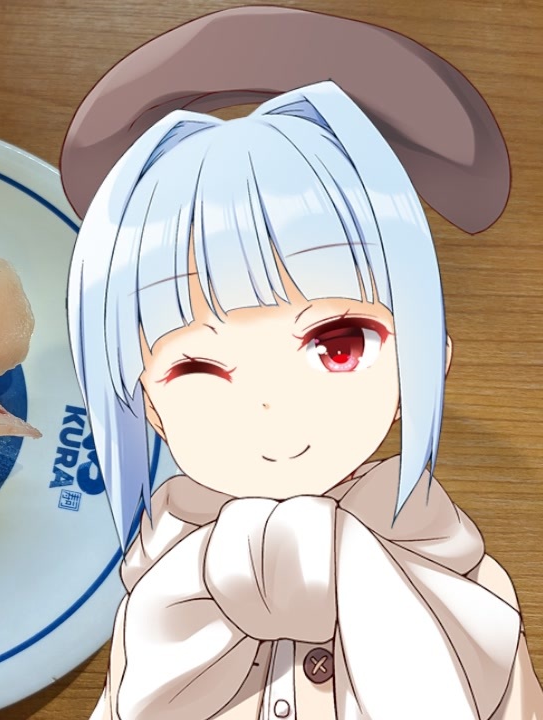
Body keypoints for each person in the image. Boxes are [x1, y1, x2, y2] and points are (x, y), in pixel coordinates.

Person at [61, 7, 543, 719]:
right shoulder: (168, 585)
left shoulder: (439, 562)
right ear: (147, 404)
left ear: (426, 355)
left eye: (338, 345)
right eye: (199, 370)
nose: (272, 409)